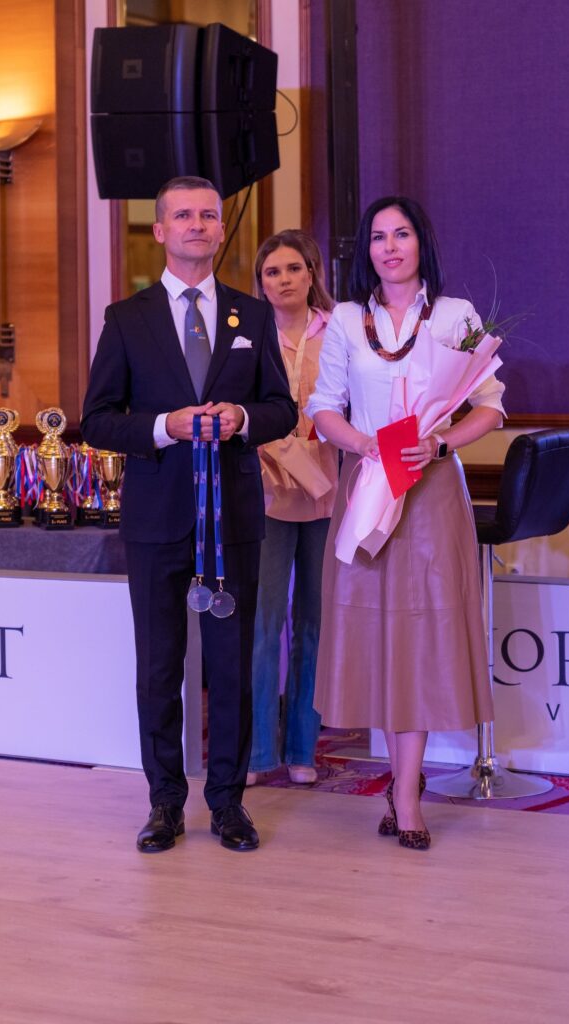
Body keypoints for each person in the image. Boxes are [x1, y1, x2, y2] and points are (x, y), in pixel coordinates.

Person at [81, 176, 297, 853]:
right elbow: (97, 420)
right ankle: (165, 803)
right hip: (156, 518)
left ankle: (227, 804)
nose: (197, 225)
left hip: (233, 518)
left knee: (231, 667)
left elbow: (282, 410)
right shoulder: (127, 317)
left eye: (207, 215)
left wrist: (241, 418)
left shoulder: (252, 315)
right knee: (158, 668)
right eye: (183, 216)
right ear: (160, 231)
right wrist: (164, 426)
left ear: (219, 229)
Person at [306, 195, 505, 850]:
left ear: (422, 242)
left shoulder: (457, 315)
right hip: (367, 486)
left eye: (401, 234)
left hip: (431, 490)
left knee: (420, 632)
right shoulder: (344, 319)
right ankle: (400, 783)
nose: (389, 247)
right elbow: (323, 407)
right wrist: (362, 444)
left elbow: (491, 405)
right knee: (378, 634)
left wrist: (441, 442)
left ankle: (408, 795)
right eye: (377, 237)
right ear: (365, 250)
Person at [247, 230, 338, 786]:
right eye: (272, 272)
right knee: (263, 624)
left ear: (311, 273)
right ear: (261, 283)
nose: (283, 280)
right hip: (267, 490)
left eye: (293, 269)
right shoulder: (248, 333)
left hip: (329, 491)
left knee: (314, 623)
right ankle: (259, 751)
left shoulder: (341, 330)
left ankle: (303, 748)